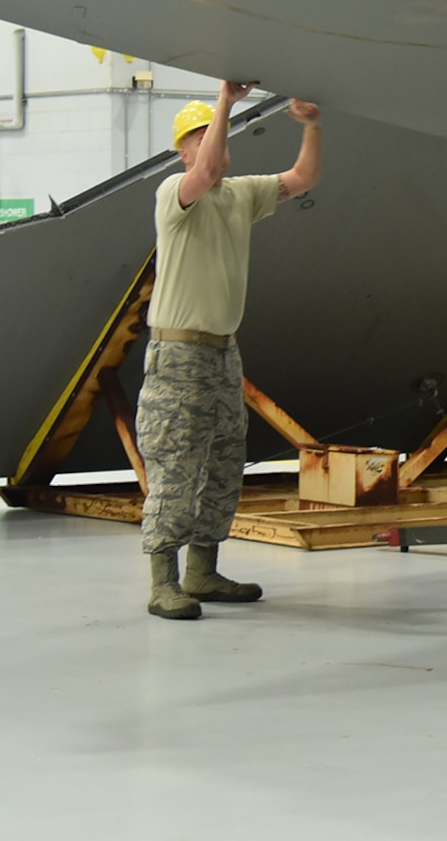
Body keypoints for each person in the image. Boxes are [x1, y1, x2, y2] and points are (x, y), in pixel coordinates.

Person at [139, 83, 322, 620]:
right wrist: (225, 100)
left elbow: (303, 177)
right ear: (184, 149)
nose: (214, 145)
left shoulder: (241, 195)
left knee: (223, 463)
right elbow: (209, 169)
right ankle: (162, 580)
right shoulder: (177, 191)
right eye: (200, 137)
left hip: (222, 354)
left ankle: (202, 570)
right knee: (176, 463)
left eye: (214, 135)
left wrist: (312, 125)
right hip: (178, 356)